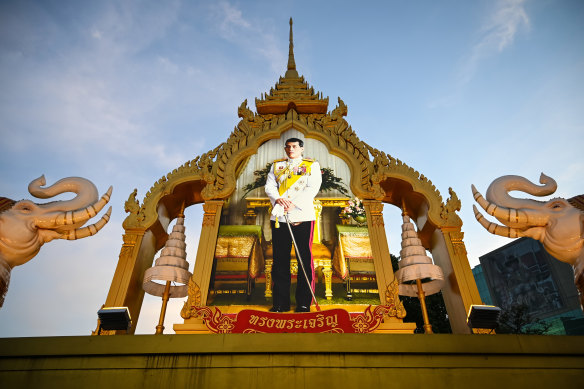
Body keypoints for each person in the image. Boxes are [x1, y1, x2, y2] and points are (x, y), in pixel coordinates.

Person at [265, 137, 322, 312]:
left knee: (303, 259)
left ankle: (304, 303)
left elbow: (313, 188)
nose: (291, 149)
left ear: (302, 149)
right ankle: (280, 303)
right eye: (288, 147)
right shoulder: (276, 166)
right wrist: (279, 199)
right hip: (279, 218)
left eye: (295, 146)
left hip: (302, 216)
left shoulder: (312, 166)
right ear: (285, 148)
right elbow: (269, 187)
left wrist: (293, 204)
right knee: (280, 261)